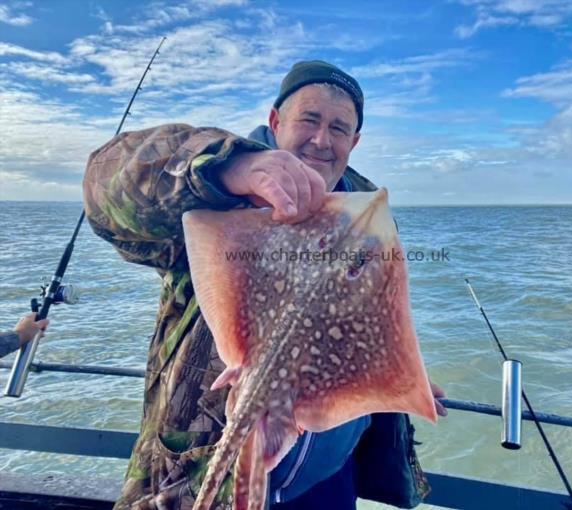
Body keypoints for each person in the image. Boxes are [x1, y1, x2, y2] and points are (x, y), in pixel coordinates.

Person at [84, 60, 446, 510]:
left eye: (338, 128)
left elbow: (358, 317)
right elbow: (105, 184)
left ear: (354, 141)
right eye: (309, 120)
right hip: (206, 474)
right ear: (276, 122)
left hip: (329, 479)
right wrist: (228, 168)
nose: (321, 139)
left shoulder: (366, 215)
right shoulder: (218, 203)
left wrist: (393, 372)